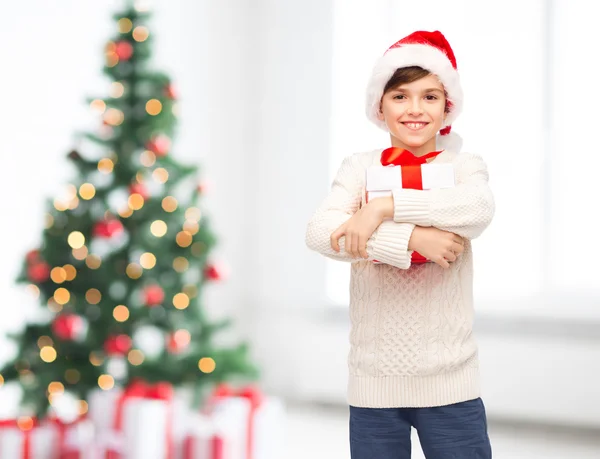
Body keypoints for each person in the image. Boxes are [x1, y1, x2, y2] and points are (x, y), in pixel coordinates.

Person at [305, 30, 495, 459]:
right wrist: (412, 237)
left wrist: (381, 208)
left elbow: (477, 209)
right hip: (374, 382)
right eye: (400, 96)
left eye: (430, 97)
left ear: (448, 107)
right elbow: (321, 232)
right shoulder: (359, 167)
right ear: (380, 105)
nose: (414, 110)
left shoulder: (464, 166)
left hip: (450, 380)